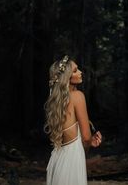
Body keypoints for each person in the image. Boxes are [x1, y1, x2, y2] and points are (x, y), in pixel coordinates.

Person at [44, 55, 102, 185]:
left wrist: (89, 141)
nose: (80, 72)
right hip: (72, 161)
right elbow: (86, 138)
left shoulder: (57, 103)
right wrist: (88, 145)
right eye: (75, 70)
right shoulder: (78, 96)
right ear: (66, 77)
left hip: (58, 160)